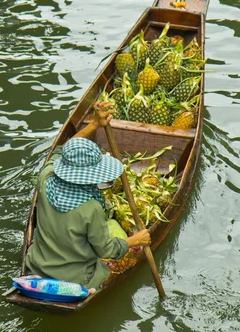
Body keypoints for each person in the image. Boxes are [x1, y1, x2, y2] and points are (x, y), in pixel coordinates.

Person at [25, 101, 151, 291]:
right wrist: (135, 240)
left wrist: (94, 124)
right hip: (77, 278)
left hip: (37, 265)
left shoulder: (46, 176)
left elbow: (61, 150)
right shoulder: (91, 208)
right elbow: (107, 250)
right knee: (115, 260)